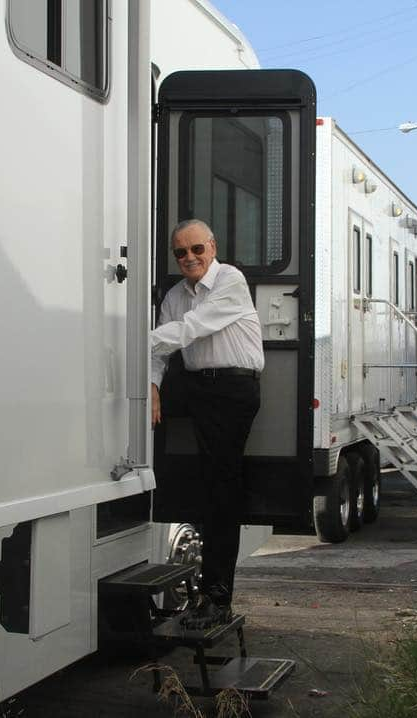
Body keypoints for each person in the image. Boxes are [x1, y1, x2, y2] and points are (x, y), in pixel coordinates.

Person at [151, 219, 264, 630]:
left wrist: (134, 340)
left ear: (212, 247)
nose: (190, 258)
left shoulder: (230, 280)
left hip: (232, 390)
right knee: (129, 409)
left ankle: (218, 599)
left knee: (220, 489)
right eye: (181, 252)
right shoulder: (174, 295)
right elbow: (161, 352)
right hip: (196, 386)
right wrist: (150, 386)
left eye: (197, 249)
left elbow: (190, 328)